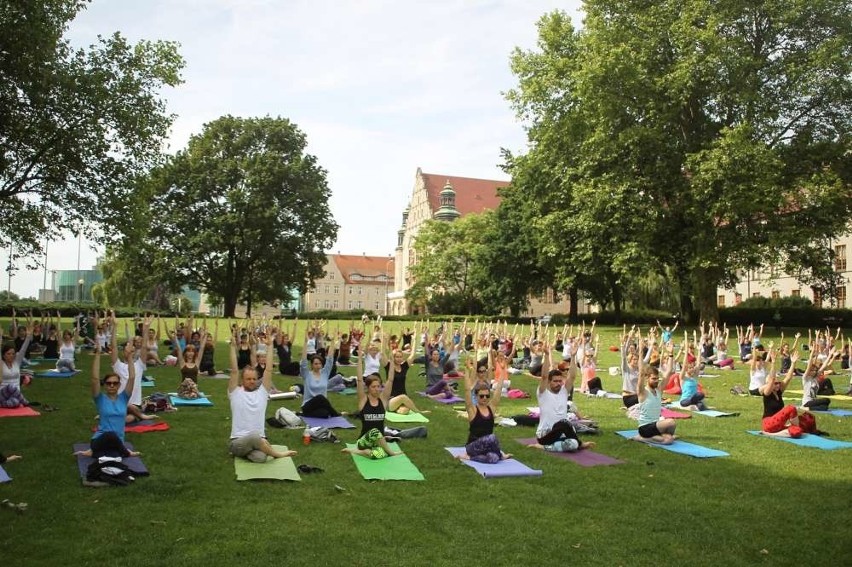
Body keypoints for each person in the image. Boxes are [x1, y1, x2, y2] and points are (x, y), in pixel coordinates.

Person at [228, 328, 296, 462]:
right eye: (248, 379)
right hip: (237, 441)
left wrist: (270, 346)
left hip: (258, 440)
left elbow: (269, 369)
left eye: (254, 379)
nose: (252, 381)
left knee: (260, 458)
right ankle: (278, 454)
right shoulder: (235, 393)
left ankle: (253, 449)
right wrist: (232, 347)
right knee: (255, 437)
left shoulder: (262, 393)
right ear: (242, 380)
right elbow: (235, 371)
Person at [75, 338, 139, 459]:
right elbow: (94, 379)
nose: (111, 385)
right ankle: (125, 452)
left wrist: (130, 357)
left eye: (115, 383)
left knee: (112, 458)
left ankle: (95, 453)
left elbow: (131, 378)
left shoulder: (124, 398)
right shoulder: (100, 399)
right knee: (110, 435)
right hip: (100, 440)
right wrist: (98, 354)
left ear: (119, 385)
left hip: (117, 443)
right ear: (104, 385)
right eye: (108, 383)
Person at [529, 340, 595, 453]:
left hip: (561, 433)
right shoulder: (543, 393)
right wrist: (546, 354)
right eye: (555, 381)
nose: (558, 383)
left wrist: (573, 357)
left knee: (572, 445)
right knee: (564, 423)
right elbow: (544, 376)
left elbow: (572, 377)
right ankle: (578, 443)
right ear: (549, 382)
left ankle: (553, 447)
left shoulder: (564, 392)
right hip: (545, 435)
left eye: (560, 381)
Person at [341, 344, 401, 460]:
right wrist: (359, 359)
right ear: (368, 387)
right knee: (374, 431)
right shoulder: (364, 400)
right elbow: (359, 379)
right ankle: (391, 453)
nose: (377, 389)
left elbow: (390, 379)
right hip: (364, 441)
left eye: (378, 386)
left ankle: (360, 452)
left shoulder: (383, 400)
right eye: (373, 387)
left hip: (378, 442)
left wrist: (392, 361)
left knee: (378, 455)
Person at [455, 356, 512, 463]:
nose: (485, 398)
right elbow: (467, 390)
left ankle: (470, 458)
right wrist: (467, 370)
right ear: (476, 397)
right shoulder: (473, 410)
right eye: (482, 396)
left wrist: (503, 370)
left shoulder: (491, 408)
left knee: (493, 459)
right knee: (492, 437)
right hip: (473, 446)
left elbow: (498, 389)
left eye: (487, 396)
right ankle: (501, 455)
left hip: (486, 447)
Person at [107, 312, 155, 423]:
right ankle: (141, 416)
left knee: (130, 417)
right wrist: (114, 326)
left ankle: (114, 417)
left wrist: (146, 328)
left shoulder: (139, 365)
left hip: (134, 404)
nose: (129, 351)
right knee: (129, 414)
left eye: (132, 350)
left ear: (134, 352)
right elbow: (113, 347)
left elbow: (143, 348)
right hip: (120, 402)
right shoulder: (118, 366)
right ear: (123, 351)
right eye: (127, 349)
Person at [759, 348, 817, 438]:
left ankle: (788, 430)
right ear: (770, 384)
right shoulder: (767, 393)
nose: (778, 385)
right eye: (776, 383)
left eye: (779, 383)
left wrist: (793, 363)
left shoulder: (779, 391)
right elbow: (772, 378)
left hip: (778, 425)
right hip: (768, 423)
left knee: (800, 426)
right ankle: (770, 434)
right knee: (791, 408)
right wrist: (773, 363)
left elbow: (788, 377)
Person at [635, 333, 678, 445]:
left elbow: (668, 372)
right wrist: (640, 351)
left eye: (657, 379)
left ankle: (663, 437)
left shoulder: (658, 390)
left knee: (669, 440)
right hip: (644, 428)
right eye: (653, 379)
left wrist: (671, 354)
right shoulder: (642, 392)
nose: (656, 381)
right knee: (671, 422)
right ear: (647, 378)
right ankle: (641, 438)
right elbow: (640, 373)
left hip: (655, 425)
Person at [300, 329, 342, 418]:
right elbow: (303, 362)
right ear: (311, 365)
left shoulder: (324, 373)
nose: (318, 365)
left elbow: (330, 358)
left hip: (320, 406)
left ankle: (305, 415)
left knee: (325, 414)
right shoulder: (307, 374)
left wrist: (333, 340)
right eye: (315, 363)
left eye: (319, 363)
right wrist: (305, 343)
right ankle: (335, 414)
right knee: (320, 397)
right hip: (308, 405)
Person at [0, 314, 33, 409]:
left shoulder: (16, 362)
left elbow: (23, 349)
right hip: (2, 393)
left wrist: (28, 336)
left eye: (13, 353)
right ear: (3, 355)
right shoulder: (1, 363)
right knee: (11, 387)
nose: (11, 356)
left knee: (15, 403)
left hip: (15, 394)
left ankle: (2, 404)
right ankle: (26, 402)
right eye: (8, 354)